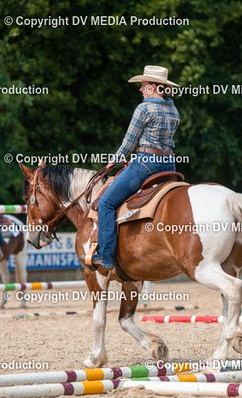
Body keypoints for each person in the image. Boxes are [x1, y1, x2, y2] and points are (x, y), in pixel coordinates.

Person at [92, 65, 181, 272]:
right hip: (169, 164)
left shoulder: (143, 108)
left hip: (146, 164)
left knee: (106, 203)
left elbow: (129, 143)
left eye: (143, 85)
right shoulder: (173, 109)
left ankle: (105, 256)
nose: (140, 89)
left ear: (153, 87)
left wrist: (113, 161)